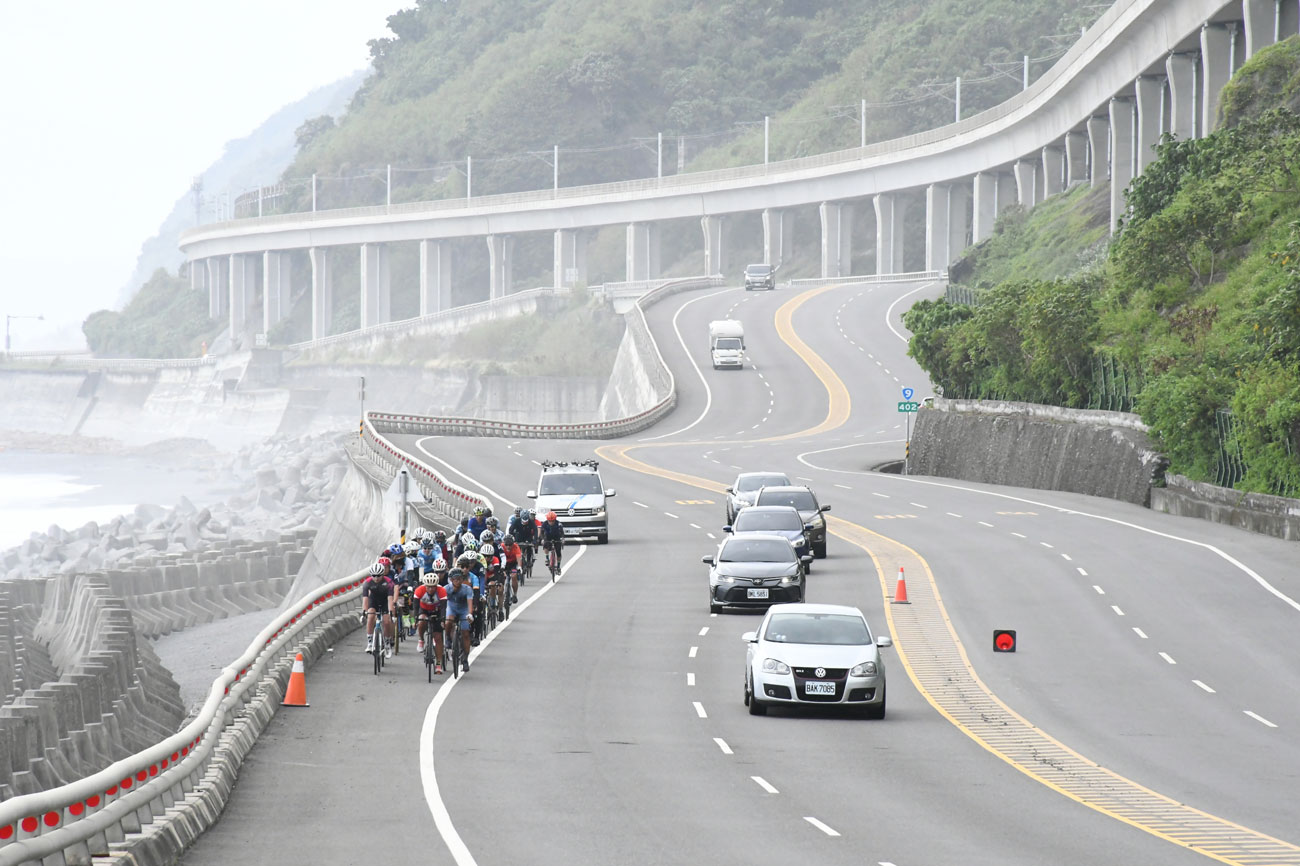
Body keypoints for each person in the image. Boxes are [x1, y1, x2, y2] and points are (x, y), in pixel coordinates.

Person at [414, 567, 447, 672]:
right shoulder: (419, 590)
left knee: (437, 637)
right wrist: (415, 620)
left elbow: (443, 608)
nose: (431, 589)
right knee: (421, 620)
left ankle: (438, 664)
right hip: (424, 610)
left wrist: (442, 620)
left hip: (437, 611)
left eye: (433, 587)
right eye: (428, 587)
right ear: (425, 586)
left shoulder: (442, 591)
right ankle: (421, 639)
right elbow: (415, 607)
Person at [443, 567, 475, 674]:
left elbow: (470, 603)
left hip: (463, 609)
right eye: (455, 579)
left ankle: (465, 659)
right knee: (448, 621)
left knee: (465, 633)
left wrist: (470, 614)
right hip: (451, 608)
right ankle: (448, 637)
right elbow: (442, 605)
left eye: (460, 579)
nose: (458, 581)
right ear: (451, 580)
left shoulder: (467, 589)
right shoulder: (446, 589)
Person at [362, 562, 395, 658]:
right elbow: (365, 599)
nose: (376, 578)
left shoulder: (389, 583)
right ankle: (370, 642)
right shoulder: (367, 583)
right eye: (374, 576)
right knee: (371, 616)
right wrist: (364, 612)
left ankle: (388, 644)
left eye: (378, 576)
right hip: (374, 600)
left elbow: (390, 599)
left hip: (385, 600)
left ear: (383, 574)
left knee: (386, 621)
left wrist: (391, 613)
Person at [540, 510, 566, 575]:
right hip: (548, 537)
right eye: (549, 521)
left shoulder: (559, 524)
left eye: (552, 521)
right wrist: (543, 539)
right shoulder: (544, 524)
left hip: (557, 537)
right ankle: (547, 558)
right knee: (545, 545)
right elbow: (542, 533)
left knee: (558, 552)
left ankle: (559, 567)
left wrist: (562, 539)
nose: (551, 522)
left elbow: (562, 533)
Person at [500, 533, 522, 603]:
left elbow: (518, 557)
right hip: (504, 564)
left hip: (513, 564)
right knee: (501, 577)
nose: (508, 547)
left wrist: (519, 567)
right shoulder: (501, 546)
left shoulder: (516, 547)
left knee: (514, 576)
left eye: (510, 545)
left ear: (513, 544)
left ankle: (515, 594)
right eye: (506, 545)